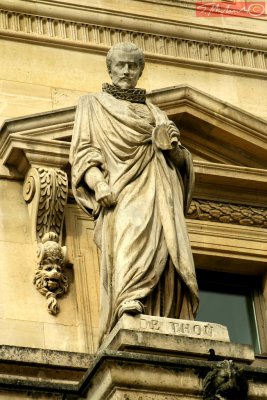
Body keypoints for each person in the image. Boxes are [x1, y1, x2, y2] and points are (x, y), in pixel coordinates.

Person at [70, 42, 199, 344]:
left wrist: (174, 148)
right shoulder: (92, 104)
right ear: (110, 68)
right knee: (130, 236)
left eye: (132, 65)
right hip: (122, 191)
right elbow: (84, 153)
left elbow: (181, 162)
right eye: (121, 65)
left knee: (166, 249)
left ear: (141, 70)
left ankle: (163, 311)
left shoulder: (157, 114)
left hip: (161, 190)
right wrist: (99, 184)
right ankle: (128, 298)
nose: (126, 71)